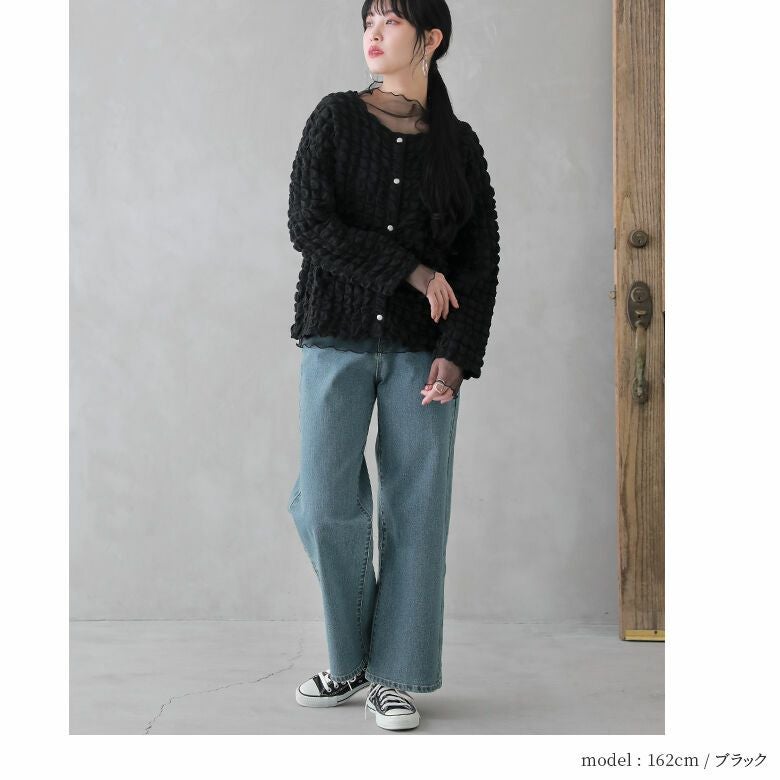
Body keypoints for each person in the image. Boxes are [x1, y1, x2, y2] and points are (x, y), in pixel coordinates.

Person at [286, 0, 500, 731]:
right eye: (368, 21)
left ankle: (393, 676)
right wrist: (409, 269)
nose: (374, 34)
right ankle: (354, 658)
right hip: (336, 338)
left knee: (417, 513)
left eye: (391, 21)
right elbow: (309, 226)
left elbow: (478, 264)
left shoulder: (459, 145)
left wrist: (457, 356)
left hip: (421, 354)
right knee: (322, 505)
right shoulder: (335, 119)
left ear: (430, 38)